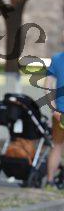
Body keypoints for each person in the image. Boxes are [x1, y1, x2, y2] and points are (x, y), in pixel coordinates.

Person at [45, 51, 64, 187]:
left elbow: (47, 85)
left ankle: (50, 181)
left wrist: (54, 109)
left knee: (57, 147)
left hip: (60, 113)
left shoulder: (56, 59)